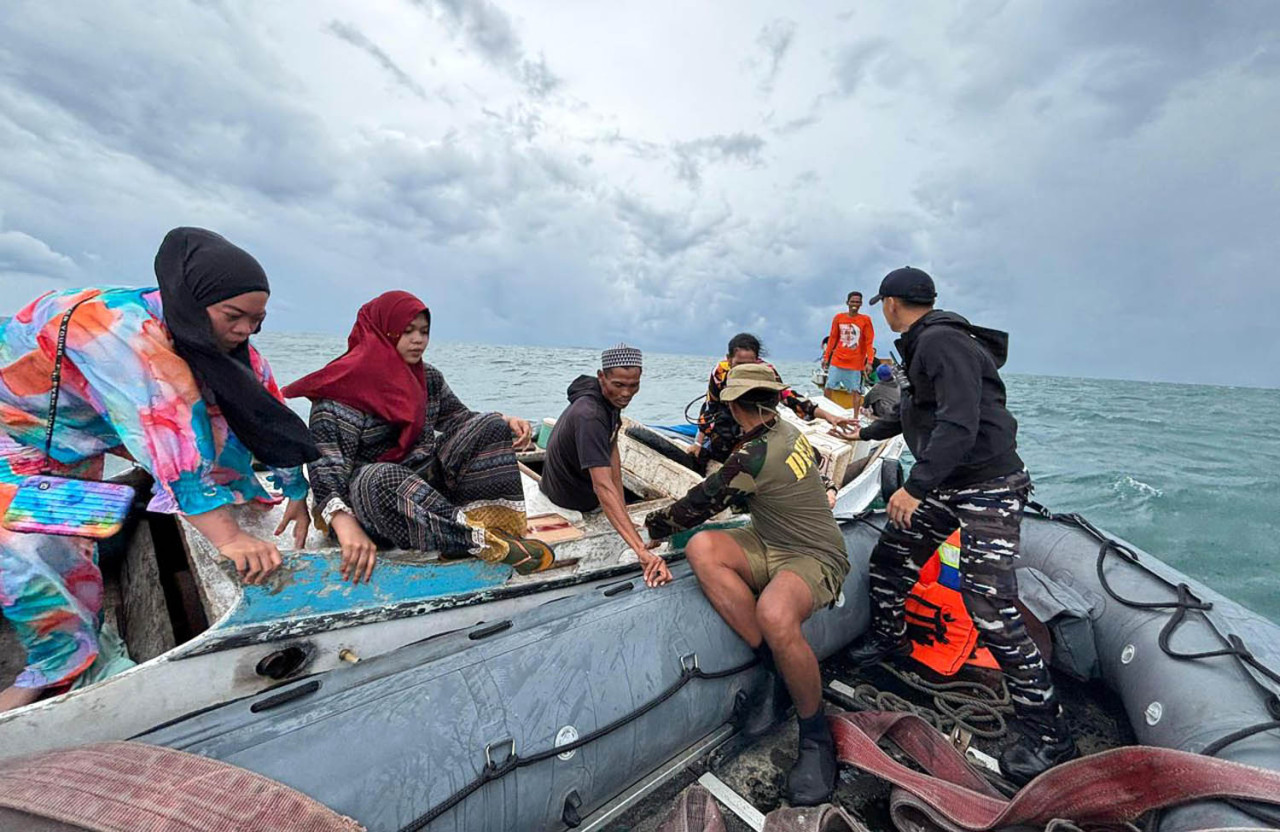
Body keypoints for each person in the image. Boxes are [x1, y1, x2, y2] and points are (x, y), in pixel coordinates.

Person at [0, 227, 317, 712]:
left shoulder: (199, 329)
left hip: (81, 431)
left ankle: (76, 647)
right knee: (29, 548)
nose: (245, 331)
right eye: (234, 317)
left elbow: (259, 406)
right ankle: (58, 666)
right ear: (193, 300)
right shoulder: (119, 334)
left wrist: (294, 489)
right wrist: (230, 537)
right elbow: (168, 435)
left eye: (257, 321)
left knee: (75, 540)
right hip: (19, 430)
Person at [842, 266, 1076, 784]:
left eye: (884, 304)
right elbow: (920, 411)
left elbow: (958, 422)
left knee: (989, 605)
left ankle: (1049, 733)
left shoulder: (940, 342)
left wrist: (915, 486)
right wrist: (863, 430)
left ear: (891, 303)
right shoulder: (926, 342)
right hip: (950, 482)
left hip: (987, 486)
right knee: (893, 555)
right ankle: (891, 639)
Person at [646, 363, 850, 806]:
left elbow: (699, 503)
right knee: (703, 549)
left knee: (774, 613)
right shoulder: (785, 429)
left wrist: (651, 528)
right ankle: (776, 669)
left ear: (737, 407)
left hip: (814, 553)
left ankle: (816, 734)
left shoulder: (754, 456)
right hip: (769, 538)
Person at [284, 291, 551, 581]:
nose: (418, 340)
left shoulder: (427, 378)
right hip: (370, 507)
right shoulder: (340, 390)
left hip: (422, 489)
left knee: (489, 424)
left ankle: (490, 530)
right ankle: (479, 541)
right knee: (379, 476)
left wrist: (506, 421)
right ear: (381, 331)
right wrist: (342, 522)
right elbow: (326, 465)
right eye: (407, 331)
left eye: (424, 332)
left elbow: (459, 420)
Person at [539, 344, 670, 589]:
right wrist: (640, 550)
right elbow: (602, 486)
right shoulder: (590, 415)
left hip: (568, 483)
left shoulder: (609, 402)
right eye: (618, 385)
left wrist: (625, 513)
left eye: (633, 385)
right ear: (601, 377)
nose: (626, 393)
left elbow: (612, 455)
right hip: (568, 498)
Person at [691, 333, 855, 466]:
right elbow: (710, 405)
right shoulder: (720, 372)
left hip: (758, 422)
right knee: (720, 440)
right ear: (729, 359)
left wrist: (829, 417)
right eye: (739, 364)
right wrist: (698, 443)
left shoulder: (766, 373)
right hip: (729, 421)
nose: (745, 369)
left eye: (750, 364)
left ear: (757, 360)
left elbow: (791, 398)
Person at [821, 290, 875, 410]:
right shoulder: (839, 318)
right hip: (838, 359)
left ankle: (855, 416)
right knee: (828, 387)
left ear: (861, 304)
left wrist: (869, 362)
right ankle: (826, 412)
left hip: (855, 363)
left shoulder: (865, 320)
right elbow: (832, 338)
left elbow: (869, 342)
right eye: (852, 301)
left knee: (856, 391)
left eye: (857, 302)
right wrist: (826, 357)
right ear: (847, 302)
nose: (855, 304)